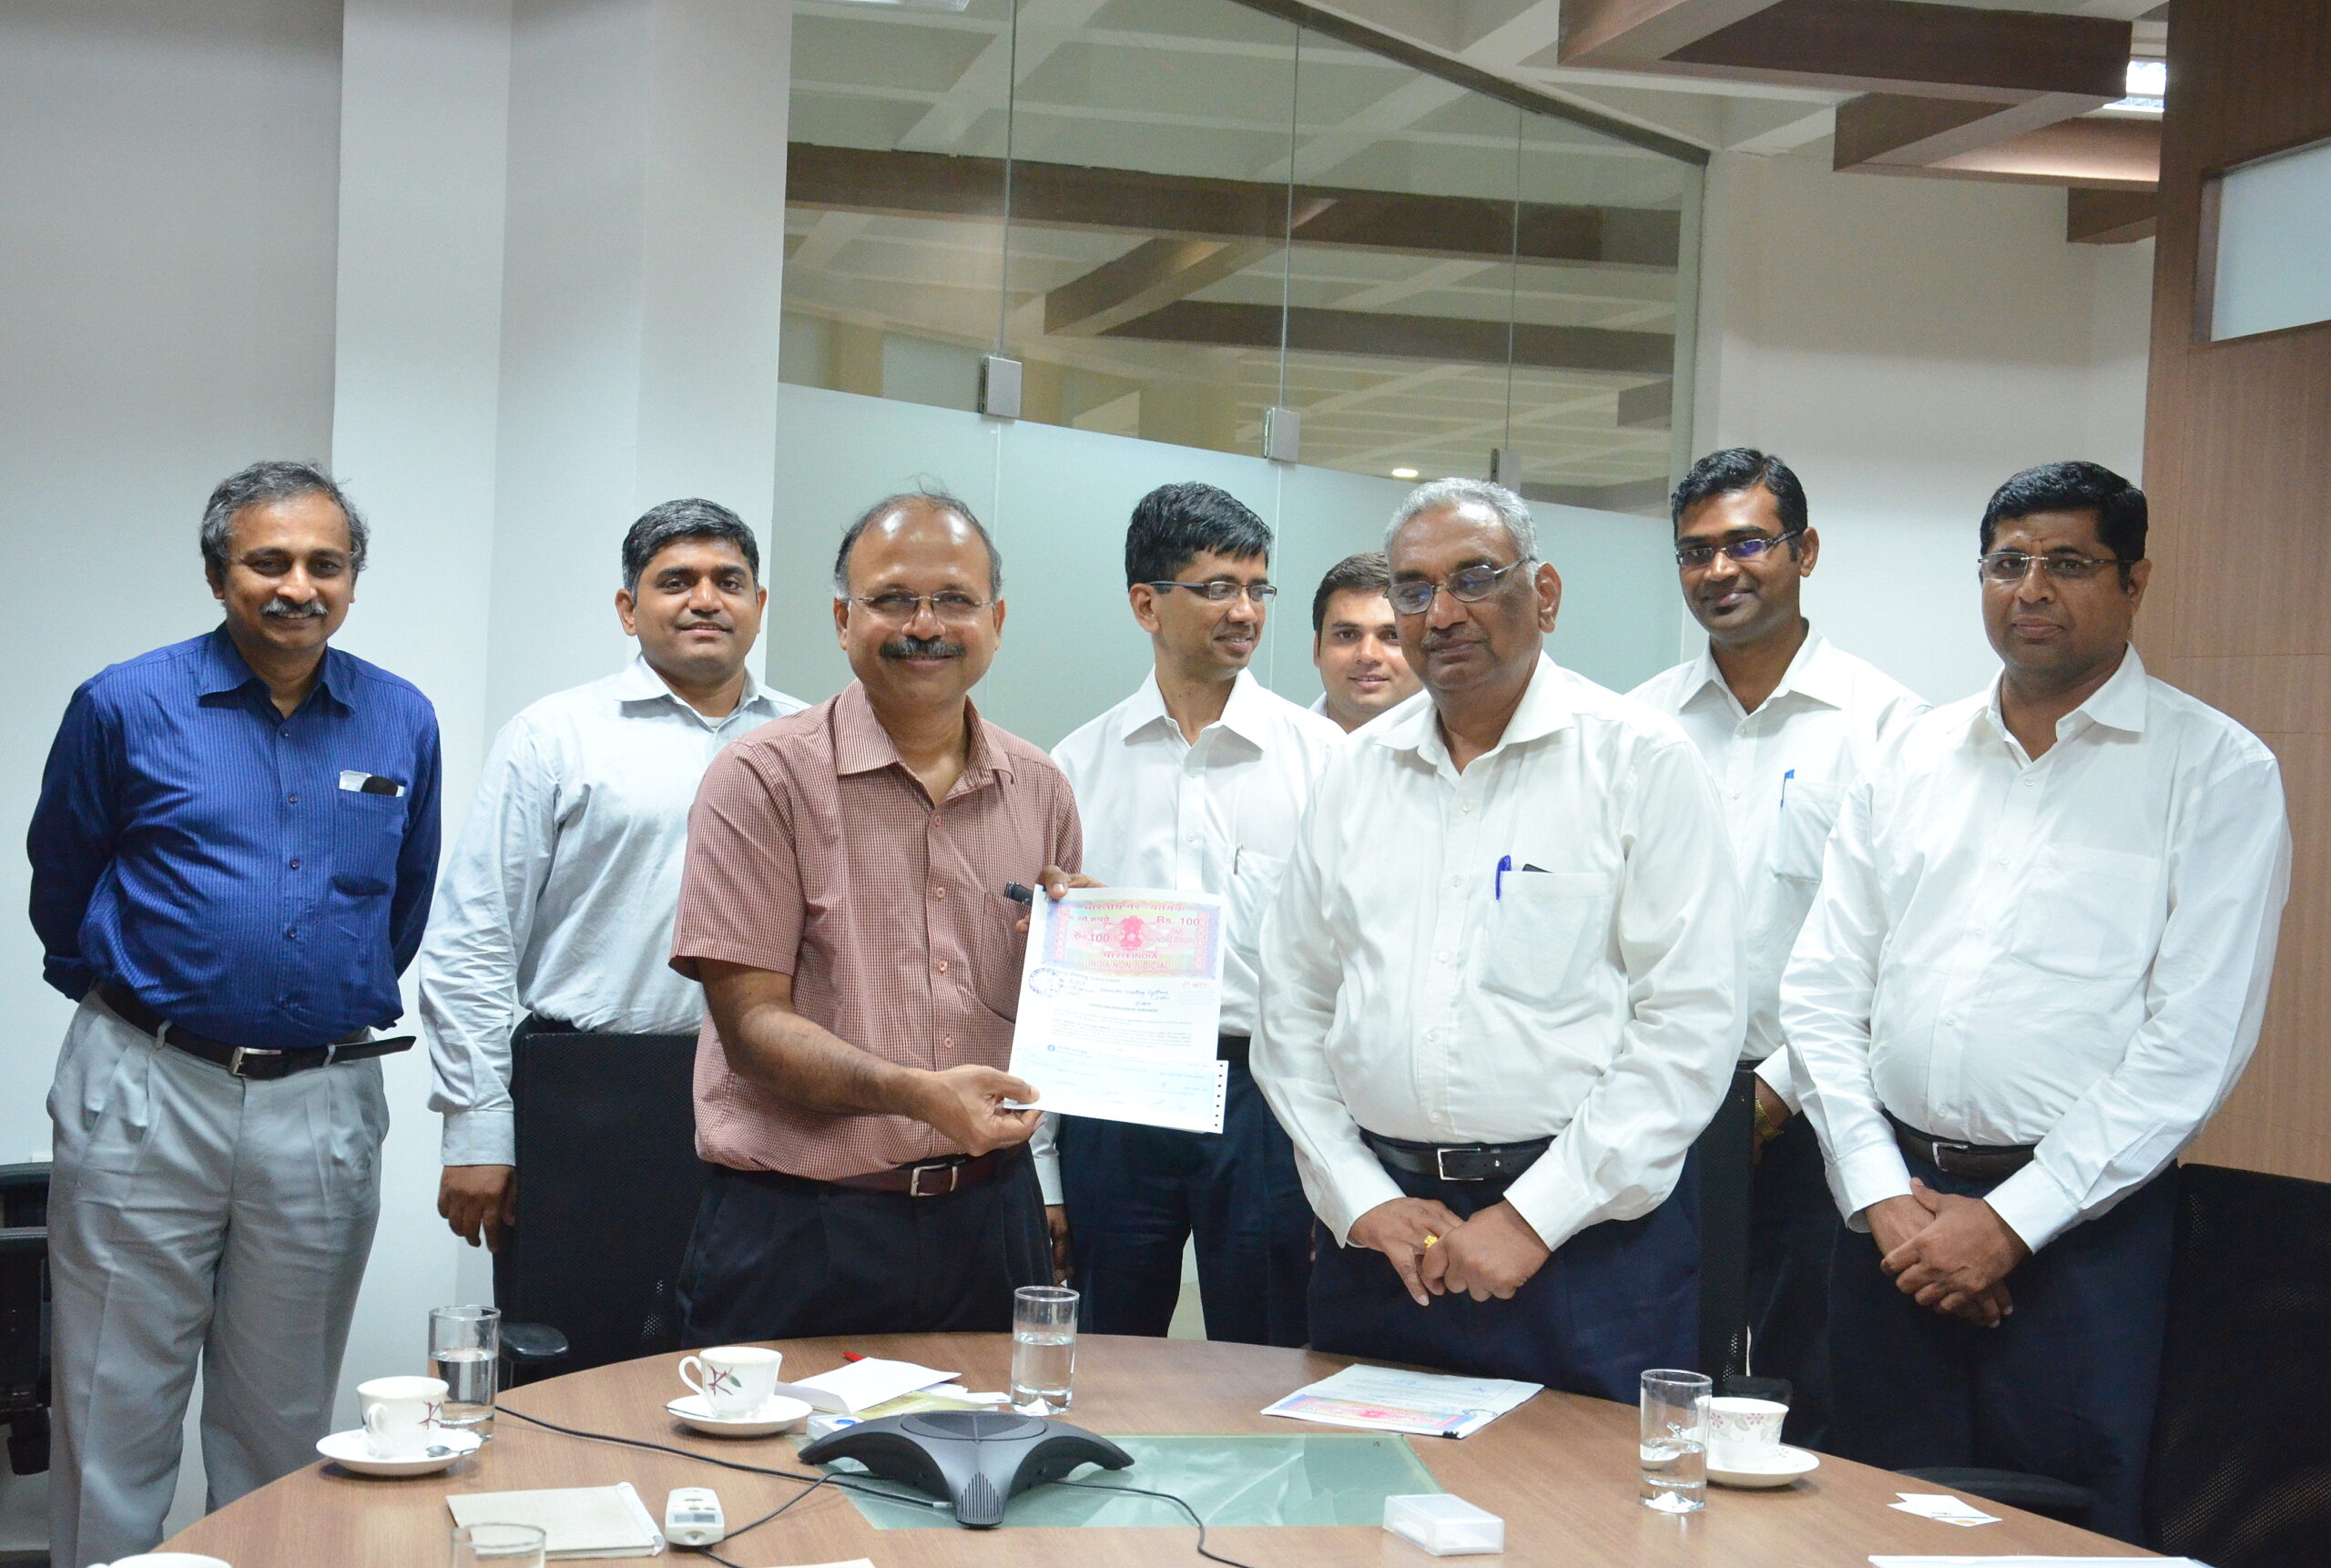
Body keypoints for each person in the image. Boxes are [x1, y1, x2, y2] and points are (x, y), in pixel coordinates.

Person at [1784, 461, 2288, 1542]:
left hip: (2084, 1238)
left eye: (2068, 563)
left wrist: (2009, 1225)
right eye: (2007, 563)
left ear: (2134, 581)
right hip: (1892, 1218)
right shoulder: (1909, 754)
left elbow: (2193, 1044)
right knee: (1865, 1518)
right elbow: (1821, 990)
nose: (2031, 589)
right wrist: (1879, 1195)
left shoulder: (2214, 771)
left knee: (2064, 1537)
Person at [30, 462, 441, 1568]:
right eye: (269, 561)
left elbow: (402, 906)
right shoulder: (125, 703)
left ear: (352, 579)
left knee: (283, 1418)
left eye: (325, 564)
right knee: (113, 1408)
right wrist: (161, 1004)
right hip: (147, 1081)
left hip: (322, 1097)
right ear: (219, 575)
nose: (298, 585)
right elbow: (61, 882)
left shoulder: (400, 717)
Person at [1254, 476, 1739, 1400]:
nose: (1441, 613)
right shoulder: (1356, 773)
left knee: (1576, 1493)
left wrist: (1532, 1217)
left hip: (1588, 1248)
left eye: (1474, 578)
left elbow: (1689, 1025)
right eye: (1413, 589)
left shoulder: (1640, 761)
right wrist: (1361, 1199)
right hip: (1387, 1247)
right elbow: (1293, 1009)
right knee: (1361, 1486)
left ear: (1543, 594)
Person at [667, 490, 1087, 1342]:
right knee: (775, 1439)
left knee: (993, 1433)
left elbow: (1056, 1026)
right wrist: (920, 1097)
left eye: (956, 600)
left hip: (990, 1222)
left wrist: (1090, 957)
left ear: (997, 621)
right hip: (801, 1230)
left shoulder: (1040, 788)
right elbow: (752, 1029)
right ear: (842, 619)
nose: (925, 625)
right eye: (893, 599)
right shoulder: (762, 779)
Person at [419, 500, 805, 1298]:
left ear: (760, 605)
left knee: (751, 1341)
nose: (705, 600)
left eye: (729, 581)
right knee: (581, 1348)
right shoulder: (555, 735)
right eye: (677, 581)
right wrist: (477, 1126)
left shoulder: (812, 741)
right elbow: (475, 938)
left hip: (771, 1091)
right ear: (629, 609)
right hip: (586, 1093)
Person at [1629, 449, 1924, 1443]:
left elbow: (1896, 940)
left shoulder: (1887, 726)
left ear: (1805, 550)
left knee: (1809, 1373)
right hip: (1660, 1097)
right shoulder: (1639, 724)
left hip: (1817, 1102)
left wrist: (1782, 1087)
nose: (1720, 571)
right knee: (1663, 1355)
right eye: (1695, 551)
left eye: (1747, 543)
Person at [1045, 483, 1342, 1345]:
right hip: (1117, 1088)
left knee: (1269, 1349)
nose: (1245, 612)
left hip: (1266, 1090)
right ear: (1147, 604)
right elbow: (1048, 978)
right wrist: (1045, 1170)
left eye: (1257, 588)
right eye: (1217, 588)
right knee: (1109, 1346)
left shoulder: (1324, 760)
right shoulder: (1075, 766)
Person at [1309, 551, 1420, 731]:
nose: (1367, 655)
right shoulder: (1276, 745)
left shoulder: (1466, 748)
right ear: (1317, 649)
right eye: (1347, 635)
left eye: (1393, 636)